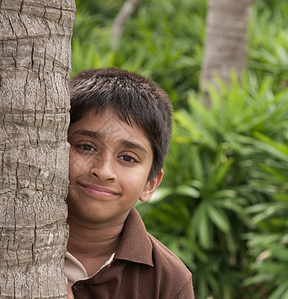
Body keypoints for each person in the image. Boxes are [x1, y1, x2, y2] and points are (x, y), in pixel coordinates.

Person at [65, 68, 194, 299]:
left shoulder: (168, 281)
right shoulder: (1, 235)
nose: (104, 171)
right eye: (86, 146)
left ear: (151, 184)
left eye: (127, 158)